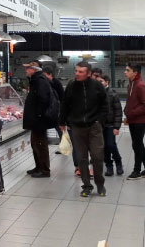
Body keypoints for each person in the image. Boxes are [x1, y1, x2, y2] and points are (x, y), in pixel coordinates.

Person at [59, 61, 108, 197]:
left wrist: (100, 121)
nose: (77, 74)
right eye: (76, 71)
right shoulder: (71, 86)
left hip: (94, 127)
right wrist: (62, 121)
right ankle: (86, 185)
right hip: (77, 127)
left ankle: (100, 184)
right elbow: (65, 104)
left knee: (97, 156)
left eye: (80, 72)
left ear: (88, 74)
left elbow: (105, 105)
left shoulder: (97, 86)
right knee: (81, 158)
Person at [23, 61, 54, 178]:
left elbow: (43, 100)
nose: (26, 70)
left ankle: (44, 170)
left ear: (34, 69)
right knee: (35, 144)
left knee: (41, 144)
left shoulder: (40, 80)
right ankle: (38, 166)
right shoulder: (35, 80)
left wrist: (39, 116)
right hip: (36, 119)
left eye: (28, 68)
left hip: (39, 120)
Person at [124, 63, 145, 180]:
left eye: (127, 70)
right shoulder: (130, 84)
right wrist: (126, 109)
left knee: (136, 145)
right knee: (138, 144)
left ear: (135, 73)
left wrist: (132, 112)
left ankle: (137, 171)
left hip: (140, 121)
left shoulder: (140, 85)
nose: (125, 72)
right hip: (133, 120)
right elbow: (132, 102)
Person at [99, 75, 123, 176]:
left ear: (107, 82)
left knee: (110, 144)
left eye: (101, 81)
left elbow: (118, 111)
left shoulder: (113, 94)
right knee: (104, 146)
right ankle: (109, 166)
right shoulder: (96, 94)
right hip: (99, 125)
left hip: (110, 125)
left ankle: (118, 162)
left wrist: (116, 127)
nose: (99, 83)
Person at [43, 66, 65, 150]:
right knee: (45, 127)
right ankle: (45, 142)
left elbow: (62, 96)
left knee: (58, 128)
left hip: (56, 109)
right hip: (48, 109)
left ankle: (63, 146)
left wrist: (61, 110)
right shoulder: (45, 83)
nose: (44, 77)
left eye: (45, 75)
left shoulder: (56, 83)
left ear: (50, 75)